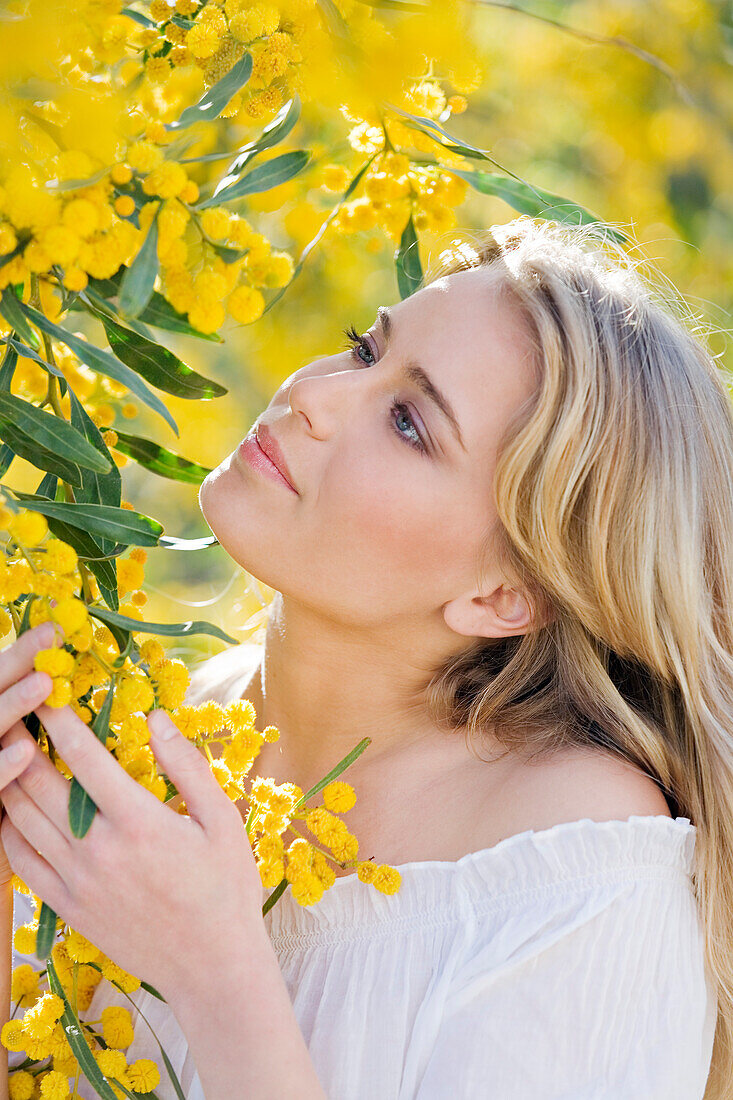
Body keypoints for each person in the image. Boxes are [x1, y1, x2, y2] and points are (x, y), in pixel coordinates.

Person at [2, 215, 728, 1098]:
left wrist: (214, 973)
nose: (314, 395)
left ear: (503, 594)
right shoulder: (147, 732)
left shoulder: (575, 862)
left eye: (409, 423)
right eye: (361, 348)